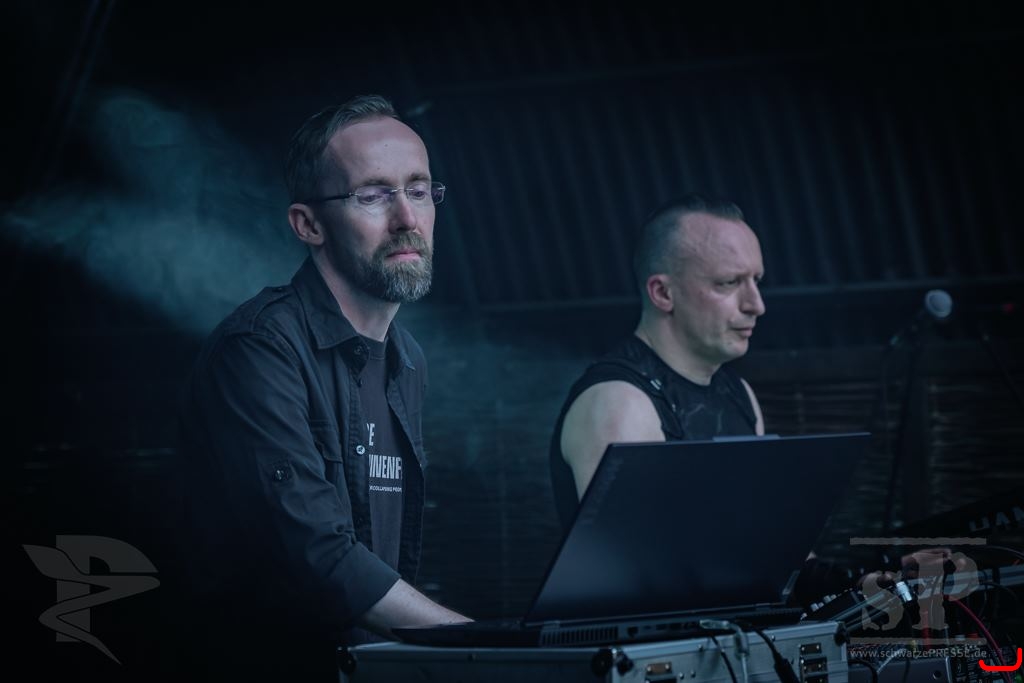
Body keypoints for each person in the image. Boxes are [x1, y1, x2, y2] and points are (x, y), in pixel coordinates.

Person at [177, 94, 468, 681]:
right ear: (308, 224)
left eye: (418, 190)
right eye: (373, 195)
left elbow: (381, 565)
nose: (407, 219)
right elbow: (319, 555)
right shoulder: (258, 349)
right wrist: (486, 647)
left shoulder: (407, 360)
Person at [549, 194, 766, 530]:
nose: (756, 305)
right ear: (663, 293)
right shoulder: (621, 403)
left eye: (756, 281)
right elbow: (630, 558)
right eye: (729, 282)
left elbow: (761, 529)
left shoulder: (739, 393)